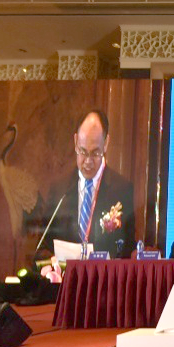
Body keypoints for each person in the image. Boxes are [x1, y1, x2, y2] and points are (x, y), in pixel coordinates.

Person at [42, 109, 135, 258]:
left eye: (95, 153)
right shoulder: (59, 190)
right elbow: (43, 247)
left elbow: (128, 250)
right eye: (83, 151)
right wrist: (51, 261)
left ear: (106, 143)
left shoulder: (122, 190)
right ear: (75, 142)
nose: (88, 161)